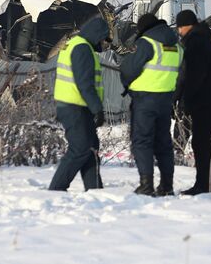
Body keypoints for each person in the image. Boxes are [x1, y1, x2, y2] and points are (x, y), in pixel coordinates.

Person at [120, 14, 182, 196]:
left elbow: (128, 68)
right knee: (163, 143)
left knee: (142, 141)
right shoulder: (176, 46)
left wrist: (128, 84)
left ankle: (146, 185)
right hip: (166, 100)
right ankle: (167, 186)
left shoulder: (147, 43)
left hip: (145, 100)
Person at [48, 17, 110, 192]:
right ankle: (56, 189)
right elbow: (85, 83)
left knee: (90, 148)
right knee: (81, 148)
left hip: (76, 106)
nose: (103, 43)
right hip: (75, 107)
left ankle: (95, 190)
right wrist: (97, 109)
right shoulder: (82, 48)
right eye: (103, 38)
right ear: (96, 34)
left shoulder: (77, 45)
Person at [174, 10, 211, 195]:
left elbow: (193, 76)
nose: (179, 31)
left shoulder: (195, 42)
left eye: (179, 27)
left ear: (186, 26)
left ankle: (204, 185)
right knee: (210, 143)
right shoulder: (206, 38)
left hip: (203, 101)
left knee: (202, 143)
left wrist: (185, 101)